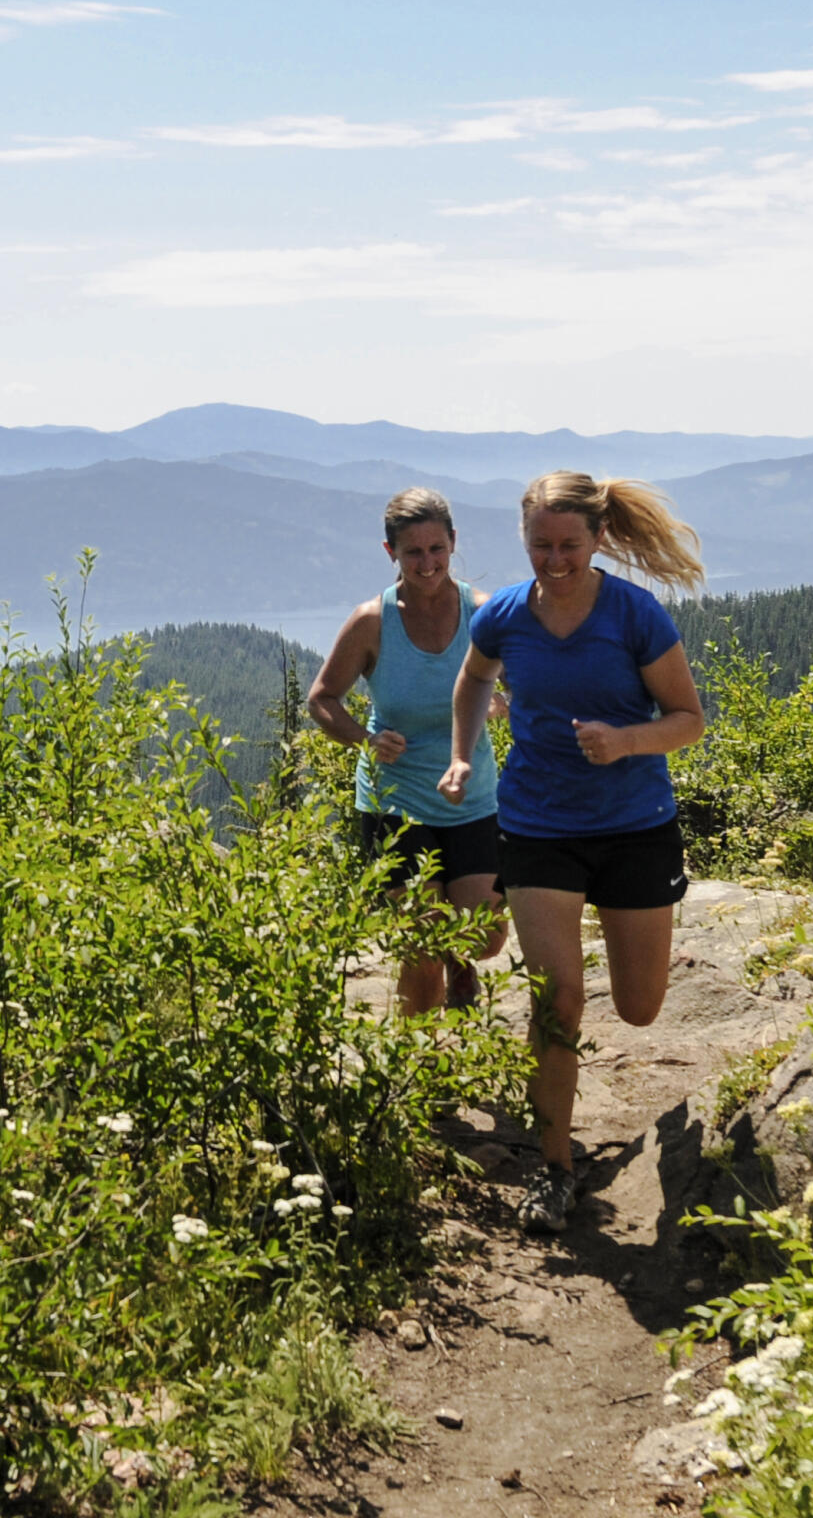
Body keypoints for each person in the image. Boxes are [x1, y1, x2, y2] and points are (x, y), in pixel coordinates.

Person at [439, 471, 706, 1233]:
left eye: (569, 544)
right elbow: (471, 682)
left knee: (639, 1007)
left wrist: (625, 741)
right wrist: (464, 756)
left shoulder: (633, 615)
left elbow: (688, 719)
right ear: (523, 540)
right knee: (556, 1001)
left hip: (634, 824)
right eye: (539, 545)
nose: (554, 560)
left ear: (598, 538)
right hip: (538, 825)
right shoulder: (505, 617)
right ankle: (553, 1170)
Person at [309, 488, 507, 1017]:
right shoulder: (372, 622)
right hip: (393, 802)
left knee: (484, 937)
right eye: (413, 552)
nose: (427, 564)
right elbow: (322, 699)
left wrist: (502, 703)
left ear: (454, 543)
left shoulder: (483, 615)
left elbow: (530, 688)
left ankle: (461, 965)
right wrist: (365, 739)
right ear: (390, 552)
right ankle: (421, 1081)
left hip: (473, 797)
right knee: (419, 949)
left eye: (437, 549)